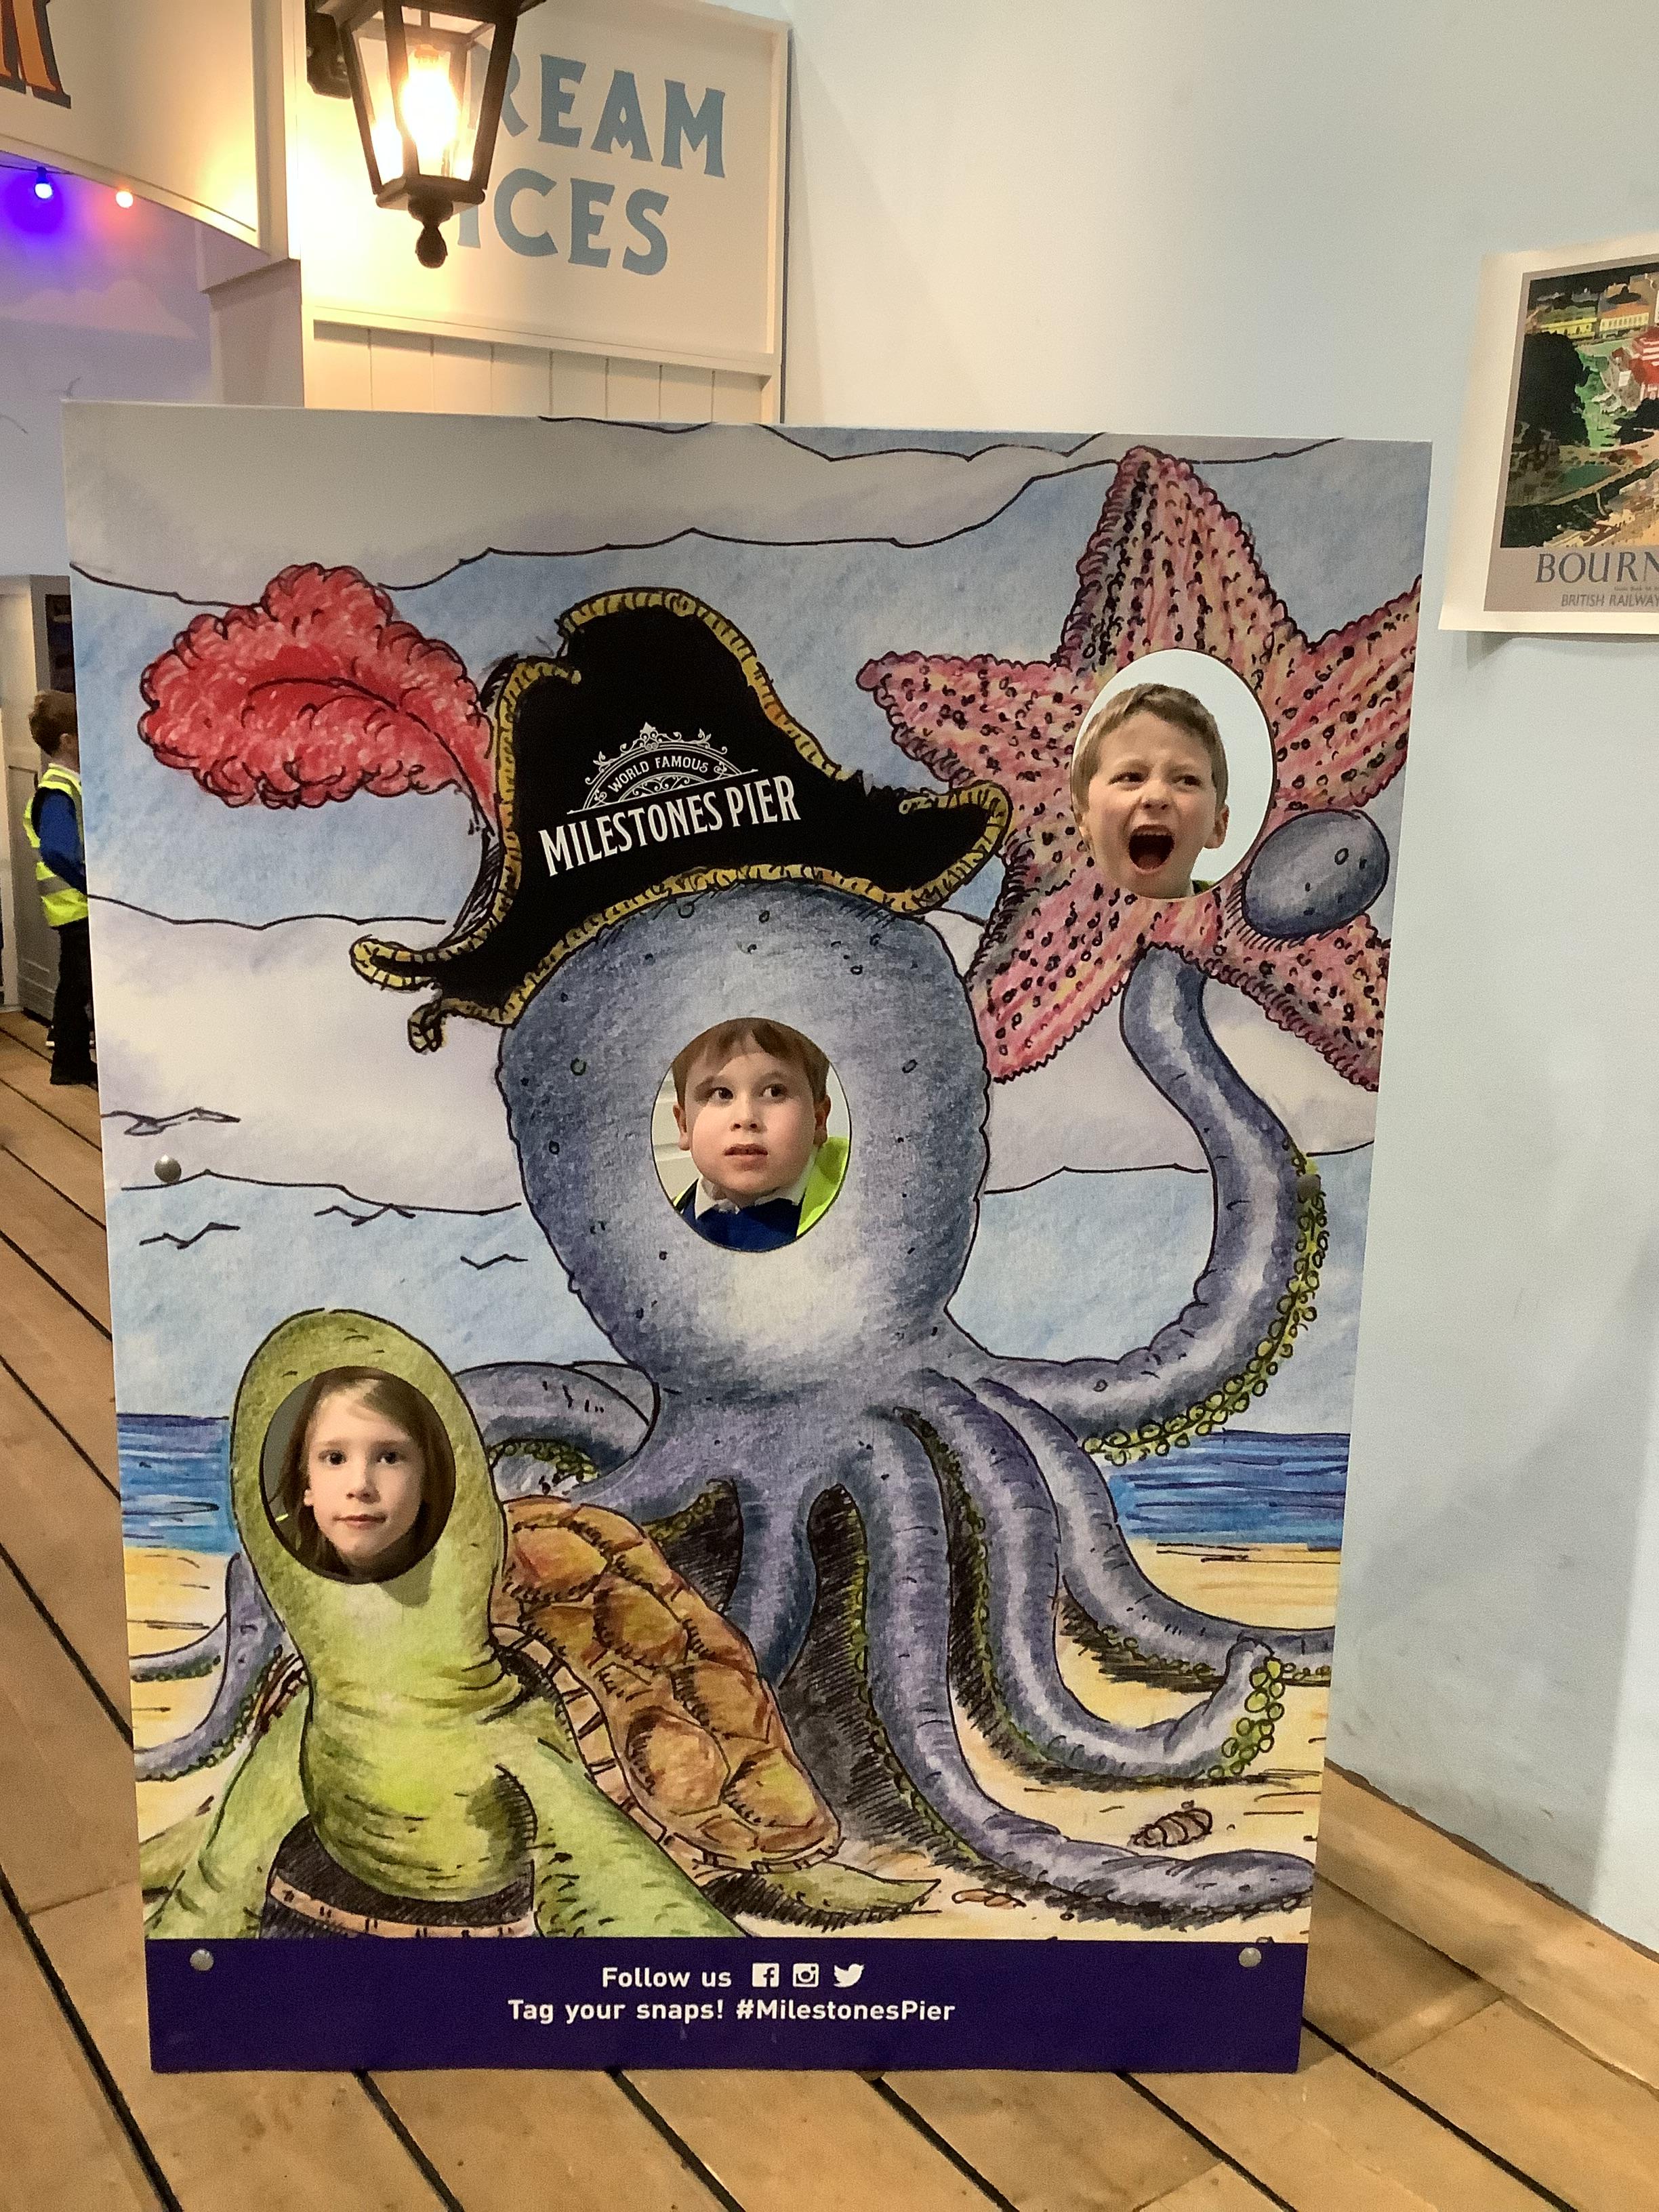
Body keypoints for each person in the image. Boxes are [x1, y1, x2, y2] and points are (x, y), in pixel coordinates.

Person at [670, 1017, 849, 1252]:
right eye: (721, 1094)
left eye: (774, 1092)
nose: (745, 1117)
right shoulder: (670, 1218)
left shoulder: (862, 1203)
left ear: (819, 1120)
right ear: (684, 1125)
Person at [270, 1367, 456, 1581]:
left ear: (428, 1479)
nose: (359, 1486)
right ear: (307, 1482)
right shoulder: (272, 1565)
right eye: (335, 1459)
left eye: (390, 1458)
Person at [1070, 681, 1231, 902]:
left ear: (1217, 826)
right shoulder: (1041, 914)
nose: (1156, 796)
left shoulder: (1234, 912)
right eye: (1130, 777)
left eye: (1187, 781)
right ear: (1079, 818)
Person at [23, 691, 95, 1086]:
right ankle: (69, 1062)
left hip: (73, 906)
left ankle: (70, 1061)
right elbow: (56, 850)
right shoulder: (59, 790)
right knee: (80, 987)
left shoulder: (65, 786)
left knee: (75, 984)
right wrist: (92, 885)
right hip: (78, 905)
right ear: (67, 741)